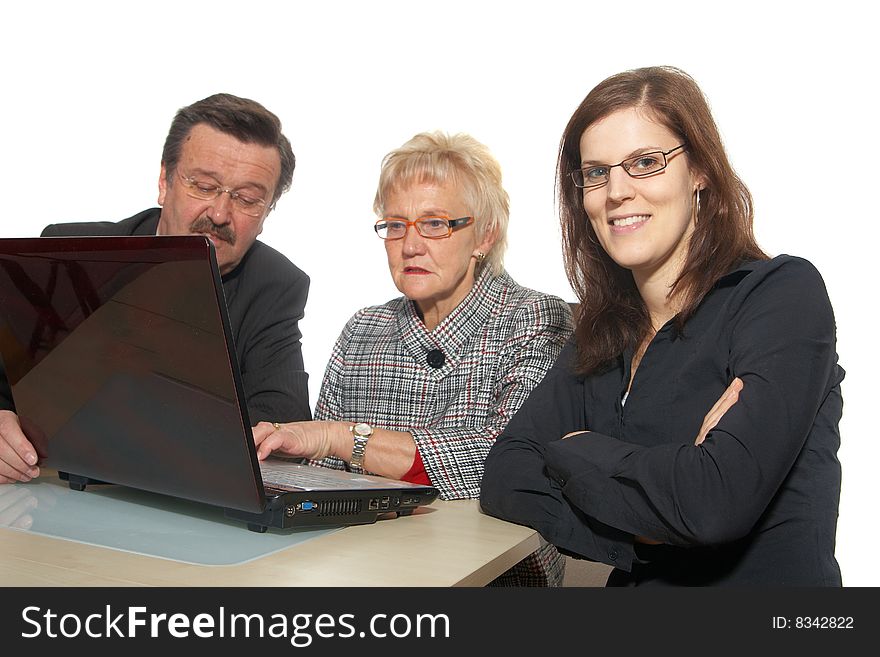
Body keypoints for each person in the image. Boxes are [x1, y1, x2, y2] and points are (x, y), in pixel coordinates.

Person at [480, 66, 844, 586]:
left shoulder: (781, 295)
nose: (616, 192)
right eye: (596, 172)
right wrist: (648, 523)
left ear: (699, 170)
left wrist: (575, 449)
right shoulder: (603, 333)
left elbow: (714, 503)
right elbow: (506, 472)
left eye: (645, 162)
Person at [252, 131, 573, 586]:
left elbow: (507, 459)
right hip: (362, 567)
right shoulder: (363, 328)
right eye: (396, 224)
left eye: (435, 223)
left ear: (485, 233)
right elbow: (321, 480)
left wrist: (344, 439)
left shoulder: (535, 318)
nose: (410, 244)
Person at [0, 93, 311, 486]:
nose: (219, 214)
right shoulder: (69, 252)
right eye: (203, 185)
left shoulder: (276, 284)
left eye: (247, 199)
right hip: (51, 496)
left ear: (267, 212)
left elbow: (281, 422)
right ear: (164, 182)